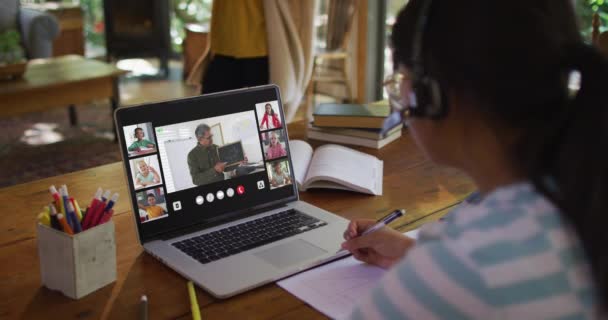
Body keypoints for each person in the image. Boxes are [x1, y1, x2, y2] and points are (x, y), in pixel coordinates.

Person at [341, 1, 606, 318]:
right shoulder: (580, 193)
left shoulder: (466, 263)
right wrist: (413, 254)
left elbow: (482, 271)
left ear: (434, 94)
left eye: (401, 79)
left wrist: (436, 271)